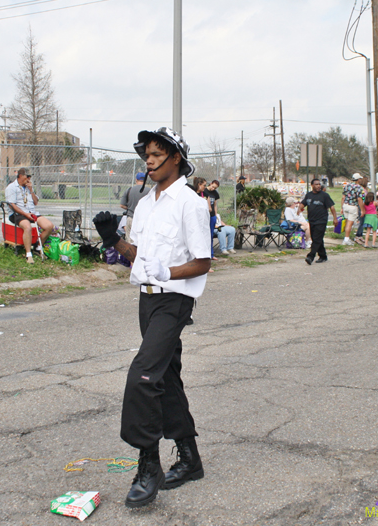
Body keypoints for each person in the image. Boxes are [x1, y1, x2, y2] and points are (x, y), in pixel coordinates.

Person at [92, 127, 210, 508]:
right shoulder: (145, 204)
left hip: (174, 300)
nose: (150, 159)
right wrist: (113, 240)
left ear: (176, 158)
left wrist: (168, 273)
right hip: (146, 300)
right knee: (165, 376)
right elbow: (137, 254)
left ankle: (148, 465)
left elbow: (203, 261)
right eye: (147, 153)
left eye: (158, 153)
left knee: (142, 376)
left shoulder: (190, 203)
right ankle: (190, 459)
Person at [4, 168, 54, 264]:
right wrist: (25, 214)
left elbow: (35, 202)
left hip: (31, 212)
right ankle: (28, 254)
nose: (29, 178)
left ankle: (38, 247)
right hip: (17, 213)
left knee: (49, 226)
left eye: (30, 177)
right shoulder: (11, 187)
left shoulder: (28, 187)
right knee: (27, 227)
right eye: (27, 176)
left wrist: (31, 190)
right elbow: (12, 205)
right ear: (20, 176)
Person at [297, 178, 336, 264]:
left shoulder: (324, 195)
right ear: (312, 185)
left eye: (319, 184)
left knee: (317, 239)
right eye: (316, 184)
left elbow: (332, 207)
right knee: (316, 238)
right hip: (312, 220)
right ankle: (323, 256)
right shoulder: (309, 195)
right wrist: (299, 209)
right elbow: (303, 204)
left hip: (321, 220)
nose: (318, 186)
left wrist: (335, 218)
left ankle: (310, 256)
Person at [120, 172, 151, 239]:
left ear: (136, 180)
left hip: (131, 218)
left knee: (130, 242)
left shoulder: (129, 190)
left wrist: (130, 207)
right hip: (144, 219)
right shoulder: (149, 191)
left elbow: (122, 205)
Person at [340, 173, 367, 245]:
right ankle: (346, 239)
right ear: (358, 180)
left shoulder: (346, 186)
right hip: (353, 206)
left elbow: (343, 197)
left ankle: (346, 237)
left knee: (347, 222)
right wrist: (362, 209)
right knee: (350, 223)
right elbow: (359, 199)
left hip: (345, 205)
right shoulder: (359, 188)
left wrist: (341, 207)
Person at [206, 180, 221, 257]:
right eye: (213, 187)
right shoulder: (204, 191)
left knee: (211, 235)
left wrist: (215, 215)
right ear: (210, 183)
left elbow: (215, 205)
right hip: (205, 216)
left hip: (212, 216)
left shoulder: (215, 193)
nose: (213, 189)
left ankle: (211, 254)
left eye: (215, 188)